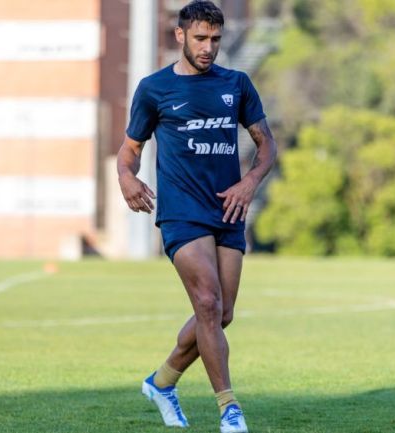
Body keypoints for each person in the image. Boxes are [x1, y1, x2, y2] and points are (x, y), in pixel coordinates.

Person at [116, 2, 277, 432]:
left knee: (221, 315)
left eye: (216, 40)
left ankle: (162, 382)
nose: (209, 48)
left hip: (228, 209)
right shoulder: (154, 89)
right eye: (201, 39)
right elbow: (129, 151)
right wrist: (126, 179)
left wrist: (249, 184)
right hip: (181, 212)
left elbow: (266, 146)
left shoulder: (237, 84)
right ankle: (229, 408)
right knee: (206, 302)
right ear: (180, 36)